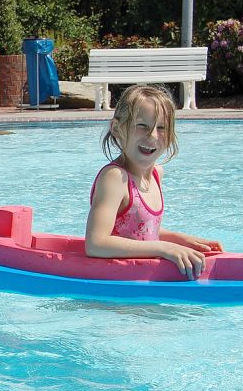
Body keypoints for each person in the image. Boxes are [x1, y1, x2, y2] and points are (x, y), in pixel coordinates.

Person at [85, 84, 222, 280]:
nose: (152, 136)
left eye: (161, 128)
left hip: (140, 280)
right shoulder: (115, 178)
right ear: (116, 128)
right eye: (142, 126)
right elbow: (95, 244)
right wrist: (163, 248)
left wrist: (181, 240)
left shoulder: (157, 174)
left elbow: (140, 229)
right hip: (116, 287)